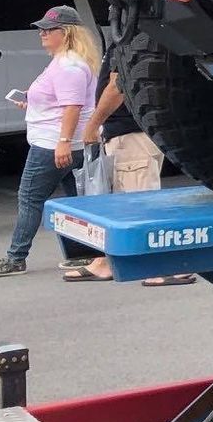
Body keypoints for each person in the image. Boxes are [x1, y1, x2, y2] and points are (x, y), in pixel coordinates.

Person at [0, 5, 99, 276]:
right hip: (65, 143)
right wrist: (32, 103)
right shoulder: (68, 61)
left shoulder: (68, 66)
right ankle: (82, 255)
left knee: (30, 197)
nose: (41, 33)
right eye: (41, 29)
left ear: (65, 33)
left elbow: (72, 107)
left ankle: (15, 257)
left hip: (53, 144)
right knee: (75, 202)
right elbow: (60, 103)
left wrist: (64, 141)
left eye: (48, 30)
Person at [66, 63, 191, 285]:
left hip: (130, 133)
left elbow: (117, 85)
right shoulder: (124, 39)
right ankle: (105, 262)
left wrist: (93, 124)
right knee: (123, 205)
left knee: (141, 205)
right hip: (125, 133)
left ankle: (157, 267)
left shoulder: (126, 38)